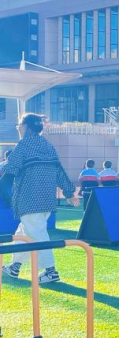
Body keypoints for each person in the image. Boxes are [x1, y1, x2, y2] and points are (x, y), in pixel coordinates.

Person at [1, 113, 80, 284]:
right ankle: (14, 266)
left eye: (19, 125)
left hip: (29, 199)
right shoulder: (47, 145)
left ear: (25, 127)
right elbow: (59, 171)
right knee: (24, 232)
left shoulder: (23, 145)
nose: (18, 128)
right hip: (46, 200)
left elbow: (10, 170)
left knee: (36, 234)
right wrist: (69, 193)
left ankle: (51, 271)